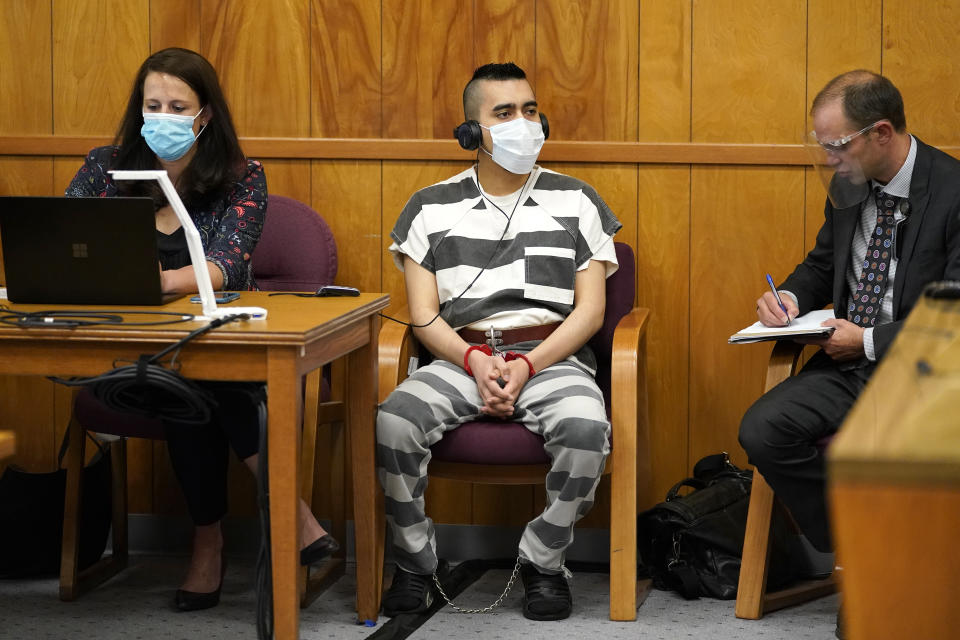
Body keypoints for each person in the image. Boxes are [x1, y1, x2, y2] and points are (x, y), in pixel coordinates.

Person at [65, 47, 337, 611]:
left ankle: (207, 543)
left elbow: (223, 265)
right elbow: (69, 247)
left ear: (204, 113)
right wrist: (143, 280)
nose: (162, 115)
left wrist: (146, 279)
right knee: (192, 382)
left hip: (211, 349)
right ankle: (291, 515)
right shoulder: (105, 168)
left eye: (177, 105)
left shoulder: (242, 177)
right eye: (152, 104)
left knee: (194, 384)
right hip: (121, 351)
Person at [376, 62, 622, 621]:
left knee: (586, 428)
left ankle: (543, 560)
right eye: (504, 113)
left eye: (530, 110)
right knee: (394, 419)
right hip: (457, 356)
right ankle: (416, 565)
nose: (523, 123)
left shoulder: (579, 201)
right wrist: (474, 360)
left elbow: (591, 311)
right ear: (471, 133)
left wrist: (528, 365)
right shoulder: (427, 206)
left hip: (551, 356)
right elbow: (422, 315)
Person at [739, 70, 960, 556]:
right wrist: (791, 299)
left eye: (837, 144)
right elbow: (823, 263)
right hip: (848, 367)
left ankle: (904, 572)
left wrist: (866, 341)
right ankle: (867, 557)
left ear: (881, 132)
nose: (829, 158)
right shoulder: (850, 182)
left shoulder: (953, 193)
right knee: (763, 430)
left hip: (928, 373)